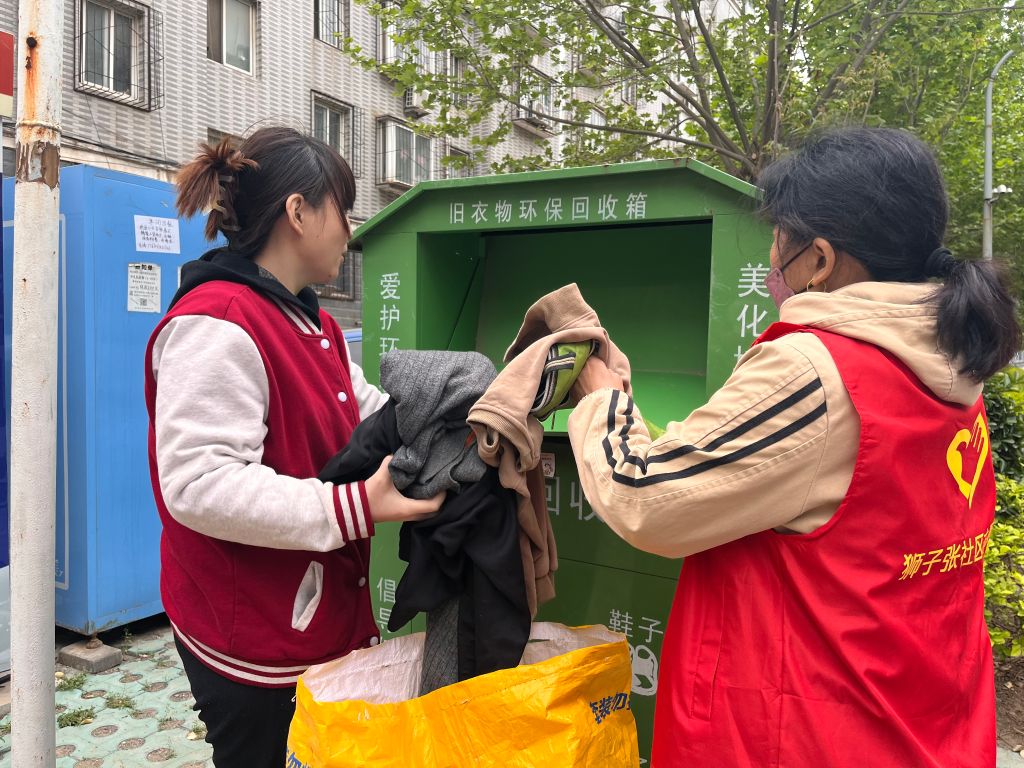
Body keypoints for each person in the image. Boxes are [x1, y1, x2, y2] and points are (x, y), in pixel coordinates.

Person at [568, 127, 1018, 767]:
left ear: (820, 260)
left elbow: (645, 495)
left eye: (779, 239)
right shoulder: (946, 360)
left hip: (801, 738)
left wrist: (602, 394)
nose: (772, 261)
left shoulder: (816, 369)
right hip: (919, 724)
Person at [144, 126, 443, 767]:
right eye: (343, 209)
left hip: (306, 618)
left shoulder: (312, 320)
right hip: (253, 637)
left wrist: (457, 412)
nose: (350, 231)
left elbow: (364, 412)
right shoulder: (219, 323)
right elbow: (199, 483)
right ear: (299, 212)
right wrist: (357, 507)